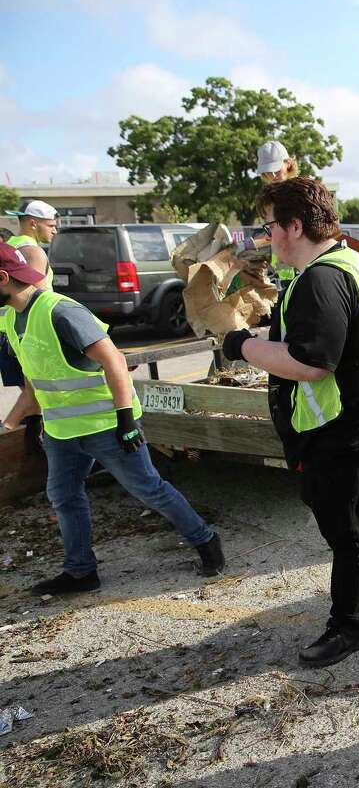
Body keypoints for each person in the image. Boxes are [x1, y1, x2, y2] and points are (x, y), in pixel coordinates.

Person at [222, 178, 359, 668]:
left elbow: (312, 362)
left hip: (351, 423)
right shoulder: (339, 263)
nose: (266, 237)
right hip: (357, 416)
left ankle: (350, 626)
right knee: (351, 508)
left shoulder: (322, 278)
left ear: (294, 226)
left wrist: (240, 345)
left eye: (270, 226)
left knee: (347, 528)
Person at [0, 243, 225, 595]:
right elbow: (34, 385)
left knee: (148, 489)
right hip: (62, 432)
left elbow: (115, 362)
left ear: (3, 278)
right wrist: (9, 425)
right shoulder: (11, 319)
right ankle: (80, 572)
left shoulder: (61, 312)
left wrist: (126, 421)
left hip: (108, 426)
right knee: (63, 495)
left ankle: (206, 540)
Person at [2, 200, 56, 396]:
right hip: (27, 331)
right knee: (35, 394)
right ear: (33, 223)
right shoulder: (33, 251)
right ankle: (11, 425)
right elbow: (33, 296)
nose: (55, 230)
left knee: (32, 395)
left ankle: (21, 425)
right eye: (50, 225)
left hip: (9, 330)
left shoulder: (9, 247)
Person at [255, 141, 298, 286]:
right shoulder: (269, 198)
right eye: (267, 171)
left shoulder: (301, 193)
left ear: (288, 163)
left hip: (301, 268)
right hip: (279, 272)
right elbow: (272, 234)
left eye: (276, 169)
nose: (273, 175)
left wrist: (247, 245)